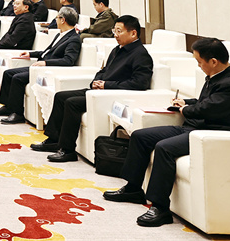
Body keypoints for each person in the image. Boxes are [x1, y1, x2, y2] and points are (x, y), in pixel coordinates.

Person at [103, 38, 230, 227]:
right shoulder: (217, 76)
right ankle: (133, 188)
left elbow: (208, 109)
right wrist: (186, 103)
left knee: (164, 148)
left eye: (200, 62)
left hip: (213, 134)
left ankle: (160, 208)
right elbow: (206, 103)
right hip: (195, 127)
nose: (199, 66)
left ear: (214, 61)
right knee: (141, 136)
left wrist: (185, 109)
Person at [31, 15, 153, 162]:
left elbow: (140, 83)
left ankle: (67, 150)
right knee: (61, 96)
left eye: (119, 31)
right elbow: (103, 70)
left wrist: (107, 85)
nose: (115, 35)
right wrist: (96, 81)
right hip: (100, 90)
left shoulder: (141, 55)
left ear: (133, 33)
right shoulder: (117, 50)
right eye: (114, 31)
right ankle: (53, 140)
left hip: (112, 95)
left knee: (72, 103)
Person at [0, 7, 82, 124]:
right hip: (41, 66)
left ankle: (17, 113)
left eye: (57, 18)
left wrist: (46, 63)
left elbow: (68, 60)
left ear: (63, 20)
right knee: (8, 73)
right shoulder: (59, 35)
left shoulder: (73, 39)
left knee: (17, 78)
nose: (56, 20)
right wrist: (30, 54)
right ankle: (8, 106)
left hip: (49, 70)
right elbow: (47, 52)